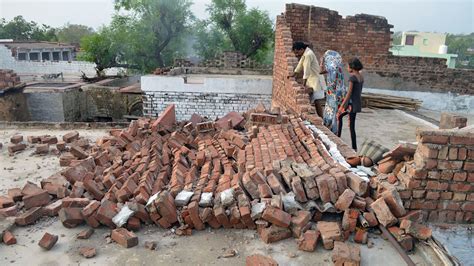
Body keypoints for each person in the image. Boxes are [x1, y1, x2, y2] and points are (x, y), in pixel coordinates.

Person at [288, 42, 326, 117]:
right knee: (314, 101)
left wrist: (303, 84)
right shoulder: (305, 53)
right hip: (312, 80)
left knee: (317, 101)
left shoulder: (308, 54)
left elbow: (306, 70)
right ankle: (319, 118)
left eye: (297, 52)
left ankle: (321, 119)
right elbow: (300, 64)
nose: (296, 55)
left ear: (302, 49)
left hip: (316, 80)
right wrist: (294, 73)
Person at [337, 58, 364, 151]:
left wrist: (342, 106)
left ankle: (340, 140)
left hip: (352, 105)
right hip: (356, 103)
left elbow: (349, 94)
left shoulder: (352, 78)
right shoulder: (360, 76)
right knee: (349, 123)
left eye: (348, 66)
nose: (347, 68)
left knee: (349, 125)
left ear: (352, 67)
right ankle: (353, 147)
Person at [319, 50, 346, 134]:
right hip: (339, 93)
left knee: (332, 111)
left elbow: (320, 71)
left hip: (333, 94)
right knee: (335, 112)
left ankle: (333, 130)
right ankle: (335, 130)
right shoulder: (337, 67)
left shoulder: (331, 68)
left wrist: (321, 62)